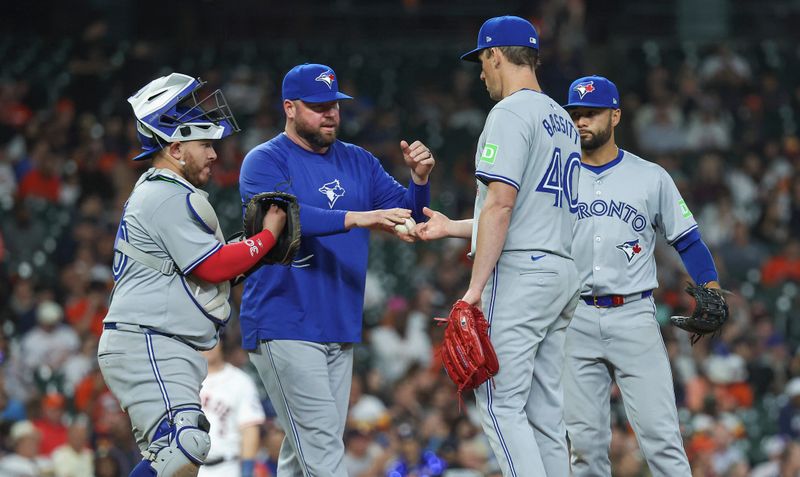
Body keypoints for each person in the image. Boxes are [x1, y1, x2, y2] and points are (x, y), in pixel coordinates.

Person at [238, 62, 435, 476]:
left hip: (338, 324)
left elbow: (410, 216)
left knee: (303, 452)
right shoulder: (264, 160)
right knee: (323, 450)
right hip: (284, 321)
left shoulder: (358, 161)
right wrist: (358, 217)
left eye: (334, 105)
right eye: (317, 106)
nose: (330, 113)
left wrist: (418, 180)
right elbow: (285, 218)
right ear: (289, 108)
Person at [417, 15, 582, 477]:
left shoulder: (509, 112)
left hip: (523, 272)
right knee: (544, 412)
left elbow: (502, 206)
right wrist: (452, 228)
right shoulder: (561, 121)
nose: (482, 73)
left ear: (494, 55)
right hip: (561, 269)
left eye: (482, 62)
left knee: (497, 404)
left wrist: (473, 290)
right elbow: (527, 213)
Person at [97, 72, 286, 477]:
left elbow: (207, 274)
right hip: (148, 339)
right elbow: (213, 265)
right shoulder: (167, 194)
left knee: (176, 454)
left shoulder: (164, 191)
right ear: (177, 148)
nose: (214, 154)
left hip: (160, 341)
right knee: (183, 445)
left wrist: (248, 251)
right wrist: (268, 236)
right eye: (205, 145)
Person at [560, 75, 722, 476]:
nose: (582, 121)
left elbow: (688, 240)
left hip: (633, 315)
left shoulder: (650, 176)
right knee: (584, 449)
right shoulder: (555, 177)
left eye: (591, 113)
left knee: (663, 442)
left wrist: (712, 289)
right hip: (572, 317)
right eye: (575, 114)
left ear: (615, 115)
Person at [198, 340, 265, 477]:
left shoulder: (240, 381)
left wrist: (247, 469)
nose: (208, 347)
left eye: (213, 340)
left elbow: (249, 430)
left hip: (227, 468)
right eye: (202, 342)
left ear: (221, 343)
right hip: (190, 468)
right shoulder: (187, 380)